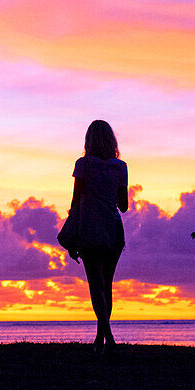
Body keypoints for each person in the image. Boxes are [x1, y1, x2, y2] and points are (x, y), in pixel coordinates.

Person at [68, 119, 128, 354]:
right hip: (113, 230)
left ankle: (108, 338)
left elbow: (75, 202)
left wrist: (72, 234)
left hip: (91, 229)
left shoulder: (83, 165)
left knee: (96, 285)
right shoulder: (120, 167)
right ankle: (99, 339)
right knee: (107, 285)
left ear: (88, 140)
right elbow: (123, 206)